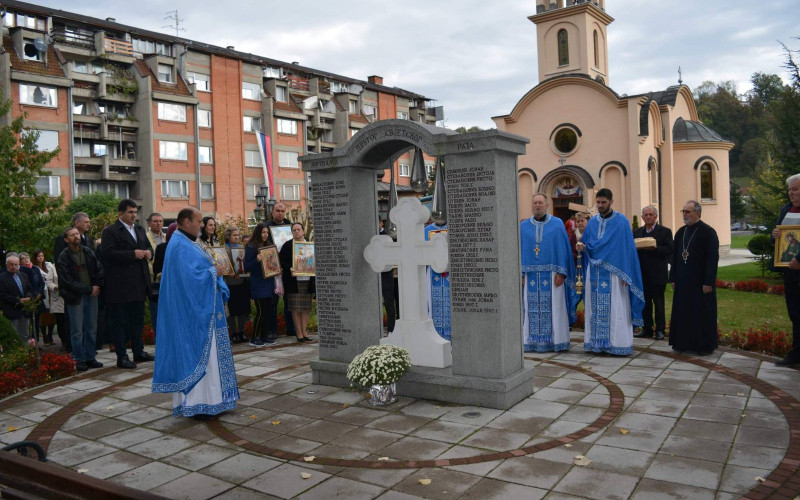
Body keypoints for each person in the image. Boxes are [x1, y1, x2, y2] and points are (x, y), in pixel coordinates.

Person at [152, 206, 239, 419]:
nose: (202, 225)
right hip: (194, 317)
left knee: (212, 359)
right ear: (185, 222)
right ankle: (201, 404)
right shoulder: (179, 245)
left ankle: (215, 400)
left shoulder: (188, 242)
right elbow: (188, 280)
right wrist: (213, 271)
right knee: (202, 357)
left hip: (205, 311)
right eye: (199, 221)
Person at [576, 189, 644, 355]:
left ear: (611, 202)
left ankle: (617, 344)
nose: (600, 206)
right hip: (595, 272)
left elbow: (627, 250)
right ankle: (596, 344)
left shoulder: (621, 222)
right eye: (598, 202)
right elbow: (588, 246)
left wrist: (626, 274)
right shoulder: (592, 223)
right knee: (594, 308)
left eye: (603, 202)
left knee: (616, 308)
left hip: (615, 274)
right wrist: (582, 247)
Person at [520, 194, 579, 352]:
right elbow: (519, 250)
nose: (537, 205)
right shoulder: (523, 226)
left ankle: (556, 341)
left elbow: (563, 250)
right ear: (532, 206)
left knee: (555, 308)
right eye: (535, 203)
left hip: (553, 276)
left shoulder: (557, 224)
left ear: (546, 205)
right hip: (530, 276)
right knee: (529, 308)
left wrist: (562, 272)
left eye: (540, 202)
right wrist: (521, 274)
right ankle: (530, 342)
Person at [101, 199, 154, 369]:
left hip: (139, 282)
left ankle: (138, 351)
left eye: (135, 212)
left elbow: (148, 248)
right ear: (121, 213)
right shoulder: (111, 231)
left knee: (137, 319)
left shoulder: (139, 229)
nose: (133, 215)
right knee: (120, 322)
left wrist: (148, 253)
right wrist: (132, 254)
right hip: (120, 285)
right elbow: (108, 254)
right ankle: (122, 356)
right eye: (130, 212)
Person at [668, 200, 719, 355]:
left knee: (701, 313)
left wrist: (708, 281)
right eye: (683, 211)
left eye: (687, 212)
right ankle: (683, 343)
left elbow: (712, 259)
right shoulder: (681, 232)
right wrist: (673, 277)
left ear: (698, 213)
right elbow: (675, 256)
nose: (684, 214)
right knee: (683, 312)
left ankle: (703, 346)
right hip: (683, 282)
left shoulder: (708, 232)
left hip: (700, 283)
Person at [57, 227, 104, 371]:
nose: (76, 236)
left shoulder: (88, 252)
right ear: (66, 239)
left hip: (92, 295)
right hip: (75, 297)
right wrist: (89, 289)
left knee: (91, 328)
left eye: (77, 234)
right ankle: (79, 359)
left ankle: (90, 357)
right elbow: (67, 281)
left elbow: (99, 268)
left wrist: (97, 285)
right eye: (72, 235)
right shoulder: (63, 257)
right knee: (77, 331)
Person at [633, 206, 673, 341]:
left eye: (651, 215)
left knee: (659, 303)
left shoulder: (665, 232)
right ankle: (647, 328)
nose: (648, 217)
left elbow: (669, 249)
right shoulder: (638, 232)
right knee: (645, 304)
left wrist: (655, 248)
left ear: (656, 216)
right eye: (645, 215)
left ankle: (660, 330)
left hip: (657, 274)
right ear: (642, 217)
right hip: (642, 274)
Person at [773, 174, 800, 366]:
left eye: (795, 189)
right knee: (795, 313)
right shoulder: (785, 209)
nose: (791, 193)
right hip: (790, 271)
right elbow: (779, 238)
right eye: (790, 190)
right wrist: (774, 235)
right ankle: (796, 353)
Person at [279, 222, 315, 342]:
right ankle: (298, 333)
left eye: (298, 229)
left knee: (305, 308)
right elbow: (282, 260)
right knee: (295, 308)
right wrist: (290, 267)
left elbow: (313, 261)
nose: (296, 232)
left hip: (307, 280)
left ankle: (304, 332)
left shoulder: (310, 245)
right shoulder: (288, 246)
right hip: (293, 281)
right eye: (294, 230)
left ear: (303, 231)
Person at [244, 223, 278, 347]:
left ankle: (264, 336)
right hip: (258, 284)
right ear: (258, 232)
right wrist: (256, 260)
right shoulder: (251, 247)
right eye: (263, 232)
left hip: (268, 283)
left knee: (268, 311)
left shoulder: (268, 246)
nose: (265, 235)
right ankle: (254, 337)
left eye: (267, 232)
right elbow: (247, 266)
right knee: (261, 311)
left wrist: (276, 266)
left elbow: (272, 264)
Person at [265, 203, 296, 337]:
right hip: (273, 268)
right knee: (273, 301)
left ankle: (291, 328)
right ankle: (272, 330)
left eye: (282, 211)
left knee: (290, 300)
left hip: (288, 267)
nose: (280, 213)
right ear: (272, 212)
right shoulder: (266, 227)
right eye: (277, 211)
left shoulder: (290, 226)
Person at [224, 226, 251, 344]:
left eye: (238, 235)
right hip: (230, 283)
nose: (237, 237)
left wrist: (245, 272)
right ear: (228, 236)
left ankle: (241, 331)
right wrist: (229, 273)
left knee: (242, 309)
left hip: (241, 282)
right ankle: (234, 333)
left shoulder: (241, 247)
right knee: (232, 309)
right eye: (234, 235)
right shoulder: (224, 249)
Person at [425, 218, 450, 341]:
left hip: (451, 273)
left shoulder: (455, 228)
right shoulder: (426, 231)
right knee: (433, 301)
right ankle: (435, 334)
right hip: (432, 274)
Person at [0, 254, 33, 342]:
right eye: (11, 264)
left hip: (25, 310)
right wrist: (18, 301)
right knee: (14, 337)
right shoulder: (2, 278)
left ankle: (25, 354)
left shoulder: (23, 275)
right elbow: (2, 294)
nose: (14, 266)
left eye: (16, 264)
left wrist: (29, 297)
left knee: (25, 335)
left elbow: (29, 288)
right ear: (6, 265)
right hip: (12, 311)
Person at [39, 250, 65, 347]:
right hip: (58, 298)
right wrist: (55, 287)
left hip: (70, 299)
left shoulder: (70, 265)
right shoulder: (53, 267)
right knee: (61, 322)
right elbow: (48, 282)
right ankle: (64, 342)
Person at [18, 252, 45, 343]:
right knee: (26, 323)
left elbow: (42, 283)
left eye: (27, 257)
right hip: (27, 299)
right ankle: (27, 343)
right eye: (23, 258)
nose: (25, 260)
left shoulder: (35, 269)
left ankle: (36, 343)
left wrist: (39, 294)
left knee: (36, 322)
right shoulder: (19, 271)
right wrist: (31, 297)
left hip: (37, 298)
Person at [146, 213, 165, 336]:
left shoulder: (167, 237)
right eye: (155, 221)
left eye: (160, 221)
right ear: (149, 223)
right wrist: (156, 273)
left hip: (167, 277)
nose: (158, 223)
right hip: (153, 278)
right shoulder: (145, 237)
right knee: (156, 310)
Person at [379, 219, 399, 334]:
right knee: (385, 301)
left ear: (381, 223)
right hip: (380, 272)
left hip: (392, 273)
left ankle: (394, 326)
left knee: (393, 300)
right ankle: (388, 327)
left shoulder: (388, 235)